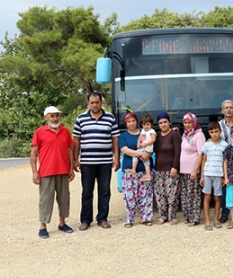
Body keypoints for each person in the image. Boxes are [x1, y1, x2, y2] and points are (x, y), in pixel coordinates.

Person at [73, 92, 120, 230]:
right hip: (87, 162)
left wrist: (116, 158)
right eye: (92, 102)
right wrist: (75, 159)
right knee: (87, 192)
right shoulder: (81, 118)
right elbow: (76, 139)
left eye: (97, 102)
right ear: (88, 103)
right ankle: (85, 220)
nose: (95, 105)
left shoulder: (110, 118)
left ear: (101, 102)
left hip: (105, 161)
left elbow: (115, 138)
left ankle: (102, 218)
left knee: (104, 191)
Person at [30, 106, 75, 239]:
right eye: (52, 116)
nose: (55, 118)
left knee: (64, 198)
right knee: (45, 200)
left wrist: (71, 169)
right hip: (46, 172)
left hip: (63, 171)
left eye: (57, 116)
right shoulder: (39, 132)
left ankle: (62, 223)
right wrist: (34, 172)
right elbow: (33, 153)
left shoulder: (65, 131)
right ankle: (43, 226)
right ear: (46, 118)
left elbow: (69, 151)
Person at [118, 113, 154, 227]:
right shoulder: (123, 136)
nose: (131, 123)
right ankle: (130, 219)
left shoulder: (145, 132)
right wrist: (140, 153)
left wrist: (147, 154)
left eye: (133, 121)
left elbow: (152, 145)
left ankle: (146, 218)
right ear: (125, 123)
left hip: (144, 170)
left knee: (146, 194)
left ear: (136, 121)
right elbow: (125, 150)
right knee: (130, 196)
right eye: (128, 122)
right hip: (129, 170)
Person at [154, 111, 181, 225]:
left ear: (169, 122)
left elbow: (177, 151)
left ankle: (172, 216)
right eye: (161, 123)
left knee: (172, 194)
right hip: (159, 169)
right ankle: (162, 216)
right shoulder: (157, 136)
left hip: (171, 169)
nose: (163, 124)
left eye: (165, 122)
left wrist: (175, 167)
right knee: (160, 194)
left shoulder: (174, 134)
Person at [200, 122, 228, 230]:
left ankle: (216, 219)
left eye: (216, 131)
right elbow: (203, 160)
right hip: (207, 173)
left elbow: (225, 162)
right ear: (209, 133)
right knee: (207, 197)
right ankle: (207, 221)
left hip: (218, 174)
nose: (214, 134)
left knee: (217, 198)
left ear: (220, 131)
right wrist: (202, 176)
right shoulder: (207, 145)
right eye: (212, 132)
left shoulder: (225, 145)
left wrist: (224, 177)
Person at [180, 112, 206, 227]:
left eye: (189, 122)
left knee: (193, 195)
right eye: (185, 122)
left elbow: (202, 154)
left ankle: (195, 219)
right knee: (185, 195)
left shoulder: (199, 135)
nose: (187, 124)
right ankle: (188, 216)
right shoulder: (185, 134)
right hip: (183, 171)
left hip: (192, 171)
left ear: (194, 122)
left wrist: (195, 171)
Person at [126, 114, 156, 182]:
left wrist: (146, 144)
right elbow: (140, 137)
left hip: (148, 149)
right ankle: (135, 169)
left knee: (143, 158)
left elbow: (153, 139)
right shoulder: (143, 130)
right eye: (144, 125)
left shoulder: (151, 131)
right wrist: (138, 144)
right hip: (143, 148)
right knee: (138, 156)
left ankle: (146, 174)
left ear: (151, 125)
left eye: (148, 124)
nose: (146, 126)